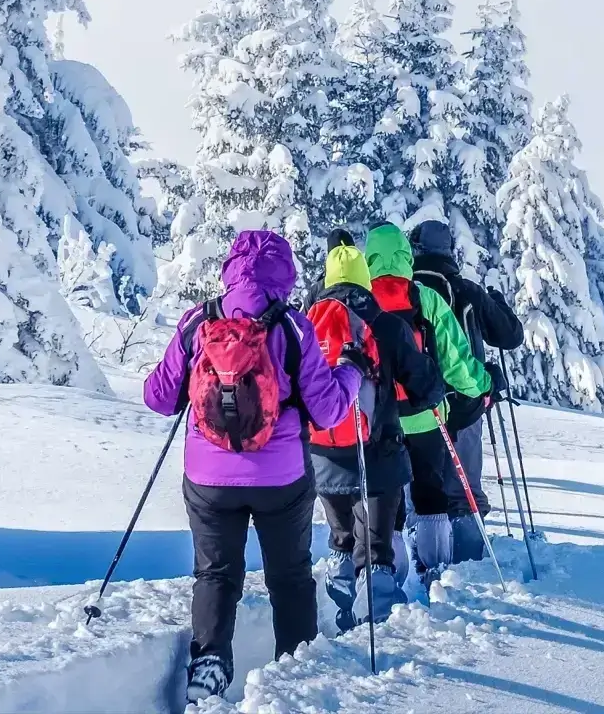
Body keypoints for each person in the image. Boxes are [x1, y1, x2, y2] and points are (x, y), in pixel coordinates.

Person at [144, 230, 366, 704]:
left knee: (216, 573)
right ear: (285, 274)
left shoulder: (197, 321)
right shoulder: (293, 327)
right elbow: (327, 411)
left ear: (230, 268)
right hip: (281, 478)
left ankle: (208, 663)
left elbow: (158, 398)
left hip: (208, 479)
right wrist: (351, 369)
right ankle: (297, 665)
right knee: (290, 574)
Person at [305, 230, 445, 630]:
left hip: (323, 455)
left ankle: (342, 610)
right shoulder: (384, 325)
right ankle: (380, 627)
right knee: (377, 548)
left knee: (341, 541)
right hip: (378, 454)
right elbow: (425, 386)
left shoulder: (306, 322)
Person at [364, 222, 493, 582]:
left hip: (378, 422)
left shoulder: (360, 301)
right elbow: (456, 362)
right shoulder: (425, 298)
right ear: (407, 256)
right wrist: (482, 385)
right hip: (427, 417)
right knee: (430, 495)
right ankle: (436, 571)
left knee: (387, 504)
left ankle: (389, 574)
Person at [409, 220, 525, 562]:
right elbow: (511, 336)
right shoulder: (467, 290)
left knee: (419, 485)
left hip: (416, 406)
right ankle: (467, 561)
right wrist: (498, 303)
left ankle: (422, 557)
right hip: (465, 403)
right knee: (464, 490)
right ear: (450, 252)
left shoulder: (405, 293)